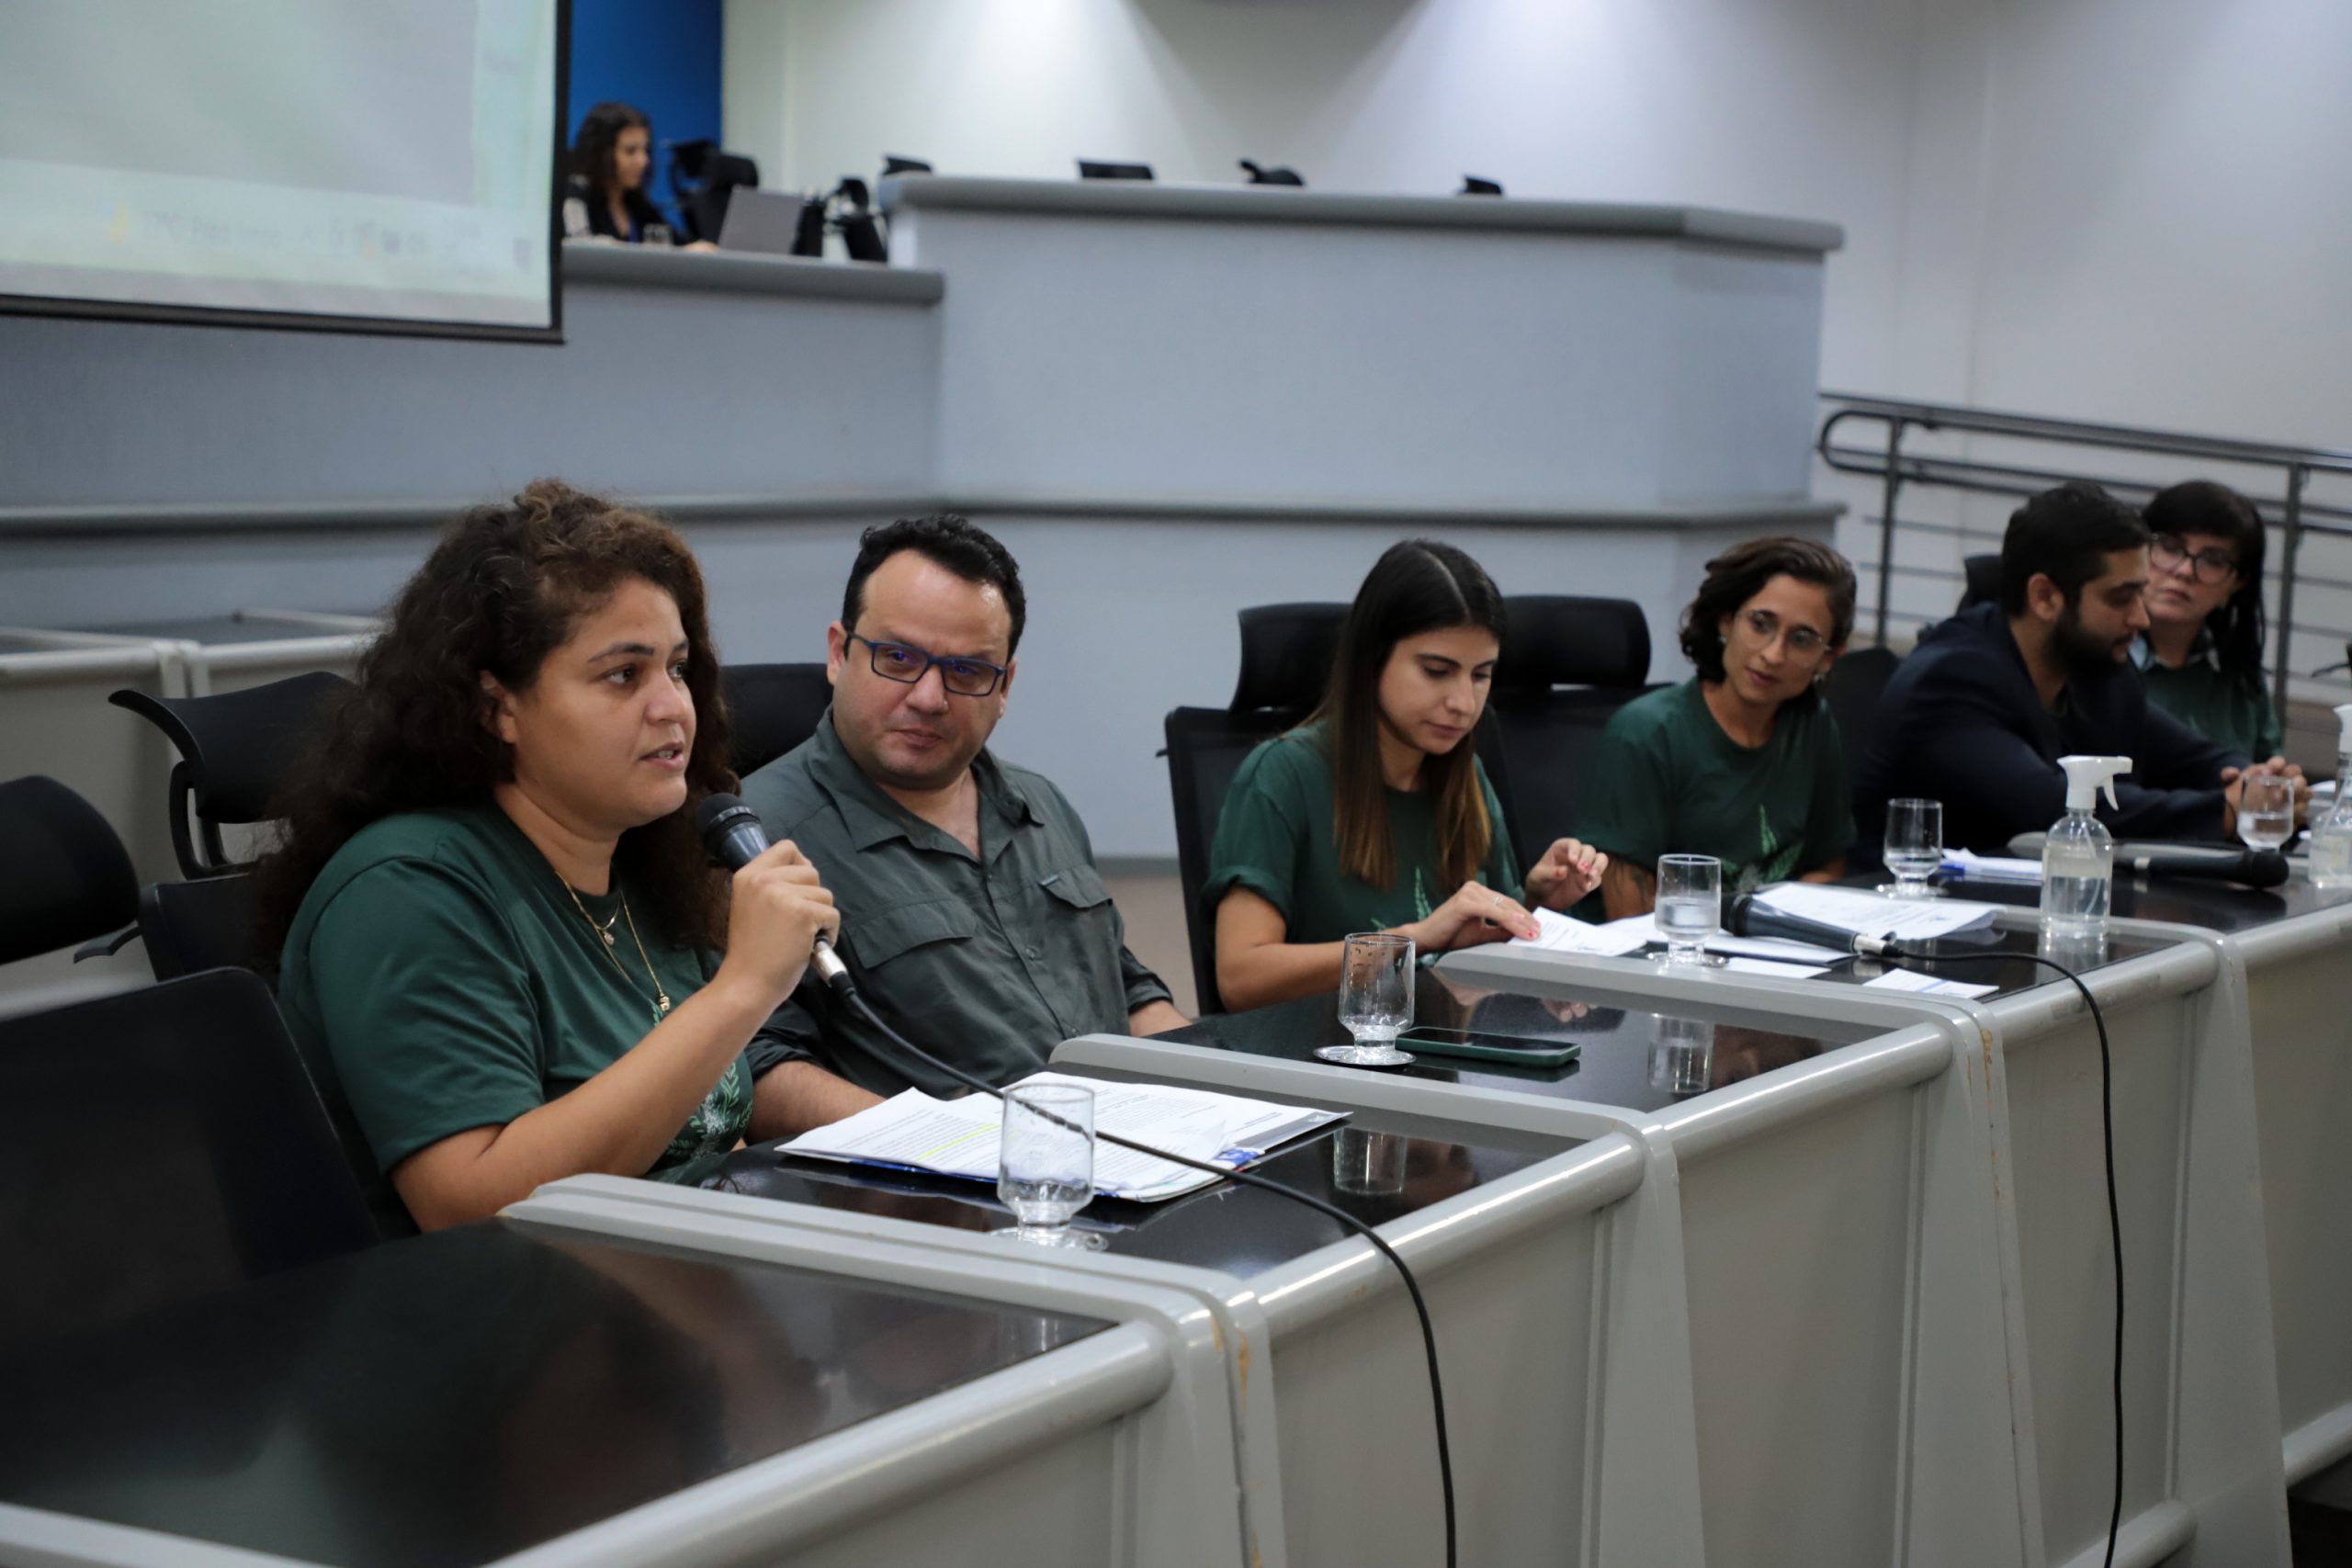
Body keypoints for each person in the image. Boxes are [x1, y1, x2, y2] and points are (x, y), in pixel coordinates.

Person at [264, 481, 841, 1235]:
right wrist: (741, 991)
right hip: (501, 1323)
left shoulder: (644, 861)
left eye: (675, 667)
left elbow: (710, 1138)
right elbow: (474, 1205)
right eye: (622, 675)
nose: (673, 707)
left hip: (671, 1288)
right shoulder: (406, 892)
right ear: (497, 706)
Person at [736, 516, 1187, 1130]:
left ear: (1005, 688)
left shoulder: (1041, 802)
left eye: (967, 672)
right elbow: (757, 1072)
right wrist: (958, 1142)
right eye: (898, 657)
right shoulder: (763, 838)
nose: (928, 696)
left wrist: (1211, 1089)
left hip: (1129, 1155)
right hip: (931, 1194)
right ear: (839, 653)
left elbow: (1129, 992)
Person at [1206, 540, 1608, 1011]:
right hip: (1322, 1063)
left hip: (1443, 1064)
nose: (1463, 703)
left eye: (1481, 675)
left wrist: (1538, 903)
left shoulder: (1467, 777)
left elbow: (1484, 957)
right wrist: (1411, 940)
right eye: (1437, 671)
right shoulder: (1281, 776)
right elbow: (1241, 978)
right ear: (1373, 658)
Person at [1857, 479, 2301, 855]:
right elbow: (2054, 809)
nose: (2140, 619)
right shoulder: (1948, 682)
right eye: (2120, 597)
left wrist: (2258, 781)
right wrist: (2227, 809)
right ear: (2045, 597)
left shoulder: (2095, 667)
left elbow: (2193, 756)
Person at [1578, 536, 1859, 916]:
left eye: (1802, 639)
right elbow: (1629, 917)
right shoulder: (1646, 732)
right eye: (1760, 624)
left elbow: (1828, 868)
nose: (1773, 654)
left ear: (1828, 658)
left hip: (1770, 953)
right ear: (1726, 621)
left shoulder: (1813, 725)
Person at [2132, 480, 2284, 762]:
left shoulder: (2241, 680)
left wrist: (2281, 787)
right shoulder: (2096, 665)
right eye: (2169, 546)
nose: (2185, 570)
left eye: (2213, 560)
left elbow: (2267, 773)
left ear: (2237, 584)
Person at [561, 101, 715, 249]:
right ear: (600, 153)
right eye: (630, 151)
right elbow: (580, 247)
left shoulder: (638, 206)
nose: (643, 161)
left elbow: (677, 247)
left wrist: (692, 250)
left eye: (645, 150)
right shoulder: (575, 197)